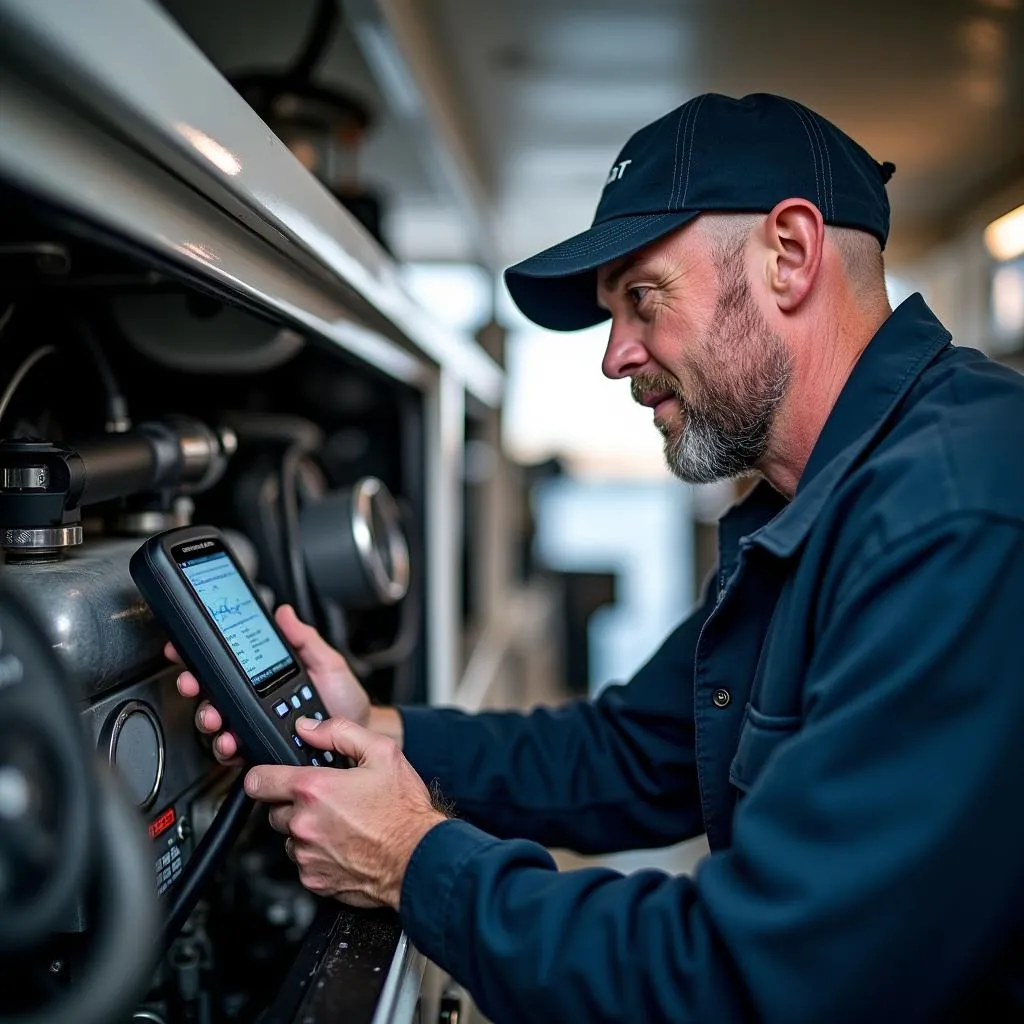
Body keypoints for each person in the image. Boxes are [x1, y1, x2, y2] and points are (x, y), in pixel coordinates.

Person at [170, 93, 1024, 1022]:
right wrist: (376, 730)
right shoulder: (821, 503)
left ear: (790, 254)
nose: (616, 357)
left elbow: (757, 979)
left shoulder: (952, 517)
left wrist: (411, 861)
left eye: (642, 296)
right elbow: (635, 753)